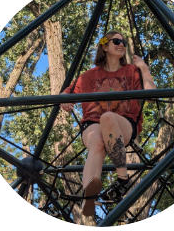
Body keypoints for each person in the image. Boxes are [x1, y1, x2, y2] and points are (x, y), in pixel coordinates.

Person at [61, 31, 156, 216]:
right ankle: (88, 197)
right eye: (117, 41)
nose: (122, 44)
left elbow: (151, 96)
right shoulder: (87, 76)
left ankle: (122, 179)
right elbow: (66, 93)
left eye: (124, 42)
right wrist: (64, 100)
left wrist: (144, 68)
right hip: (92, 123)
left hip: (125, 123)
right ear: (104, 46)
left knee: (108, 117)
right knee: (96, 142)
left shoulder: (132, 71)